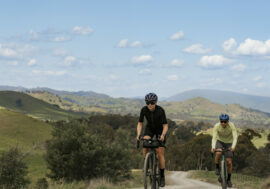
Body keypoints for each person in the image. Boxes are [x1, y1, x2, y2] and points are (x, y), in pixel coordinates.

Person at [136, 92, 168, 187]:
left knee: (160, 152)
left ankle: (162, 176)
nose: (150, 105)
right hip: (149, 128)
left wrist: (163, 135)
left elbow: (165, 125)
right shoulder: (144, 110)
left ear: (156, 102)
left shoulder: (160, 110)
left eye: (152, 102)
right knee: (145, 143)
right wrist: (138, 134)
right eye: (148, 103)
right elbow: (140, 123)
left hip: (160, 130)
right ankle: (146, 164)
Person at [211, 113, 238, 188]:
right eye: (221, 121)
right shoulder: (217, 126)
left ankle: (228, 179)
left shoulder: (232, 126)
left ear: (228, 121)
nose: (223, 123)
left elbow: (235, 137)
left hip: (229, 143)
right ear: (220, 121)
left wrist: (233, 147)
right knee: (219, 153)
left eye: (225, 121)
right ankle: (217, 167)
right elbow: (214, 137)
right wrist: (213, 147)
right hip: (220, 141)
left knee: (229, 162)